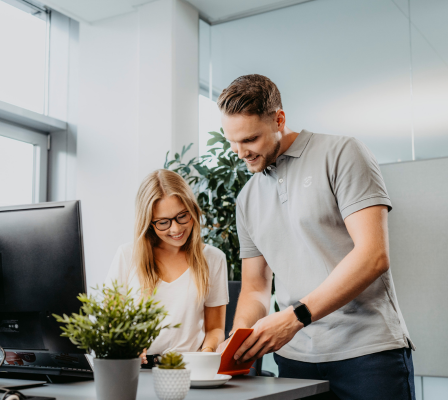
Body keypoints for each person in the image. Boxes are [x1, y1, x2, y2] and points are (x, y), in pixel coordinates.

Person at [217, 74, 415, 400]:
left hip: (366, 353)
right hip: (294, 360)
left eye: (250, 139)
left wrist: (295, 318)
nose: (240, 152)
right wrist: (239, 339)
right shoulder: (247, 198)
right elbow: (255, 286)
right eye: (232, 142)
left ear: (279, 119)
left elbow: (373, 255)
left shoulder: (342, 153)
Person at [105, 169, 228, 365]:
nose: (176, 229)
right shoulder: (127, 256)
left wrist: (207, 353)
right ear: (149, 223)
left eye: (182, 216)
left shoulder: (213, 259)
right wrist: (128, 347)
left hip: (191, 367)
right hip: (140, 368)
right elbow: (110, 321)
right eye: (163, 222)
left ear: (192, 210)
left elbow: (215, 328)